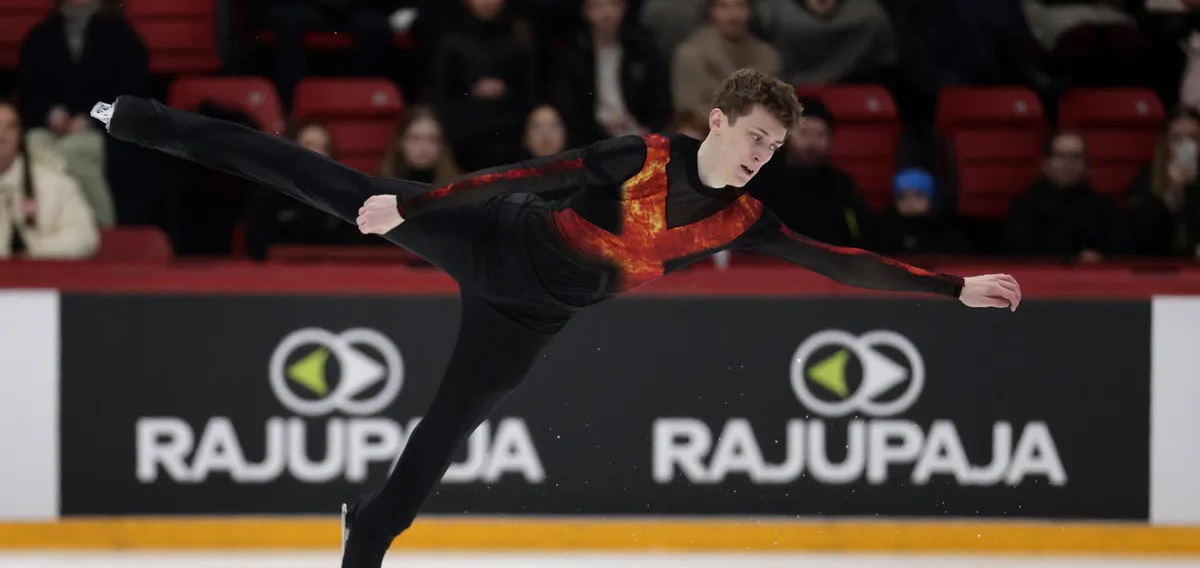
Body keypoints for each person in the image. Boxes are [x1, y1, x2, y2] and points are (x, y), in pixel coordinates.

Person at [88, 68, 1021, 568]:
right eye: (753, 140)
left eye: (775, 149)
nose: (761, 159)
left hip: (531, 318)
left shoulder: (747, 218)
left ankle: (362, 531)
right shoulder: (641, 157)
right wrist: (418, 206)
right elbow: (526, 177)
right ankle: (136, 117)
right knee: (316, 178)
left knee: (434, 451)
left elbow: (840, 265)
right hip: (489, 235)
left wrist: (952, 289)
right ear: (717, 121)